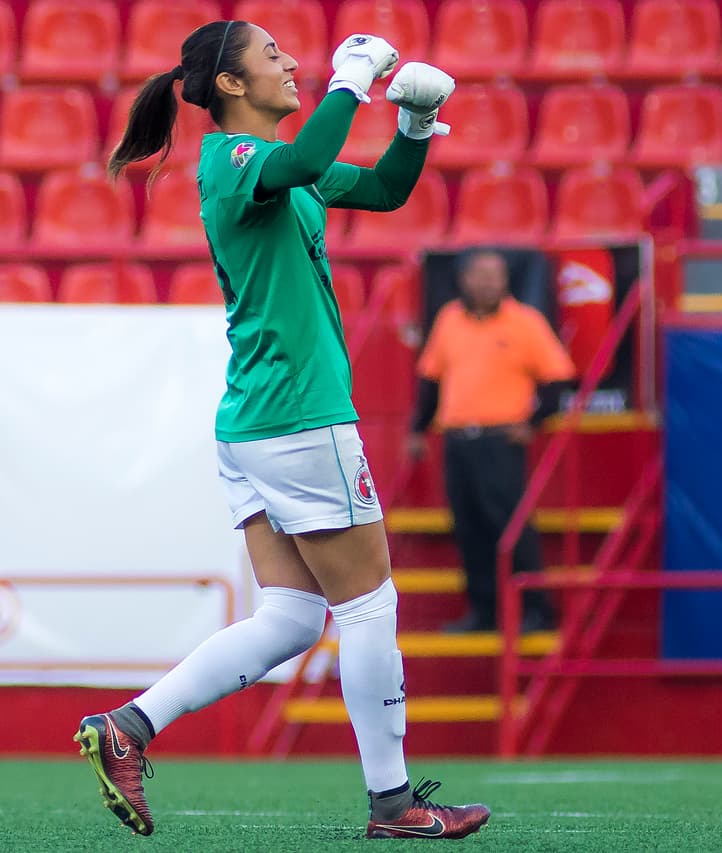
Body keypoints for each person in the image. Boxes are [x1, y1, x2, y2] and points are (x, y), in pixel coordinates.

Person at [72, 21, 491, 840]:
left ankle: (129, 725)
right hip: (302, 417)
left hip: (258, 422)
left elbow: (381, 192)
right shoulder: (235, 160)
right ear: (230, 87)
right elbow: (299, 160)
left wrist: (411, 128)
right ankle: (395, 804)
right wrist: (352, 81)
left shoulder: (271, 169)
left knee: (295, 618)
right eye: (271, 55)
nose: (291, 62)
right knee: (370, 606)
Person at [406, 250, 576, 634]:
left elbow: (557, 378)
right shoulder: (449, 318)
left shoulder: (525, 322)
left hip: (501, 441)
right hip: (457, 441)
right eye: (480, 275)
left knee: (511, 526)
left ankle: (537, 611)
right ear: (463, 279)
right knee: (468, 527)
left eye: (495, 275)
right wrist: (418, 429)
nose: (487, 282)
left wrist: (533, 422)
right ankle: (484, 612)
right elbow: (431, 380)